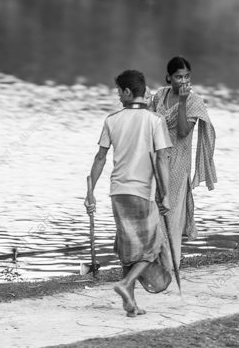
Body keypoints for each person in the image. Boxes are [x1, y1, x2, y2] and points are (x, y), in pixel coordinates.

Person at [85, 69, 173, 317]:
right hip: (142, 192)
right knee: (152, 246)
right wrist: (165, 194)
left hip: (118, 192)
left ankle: (130, 305)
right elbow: (162, 159)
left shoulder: (112, 120)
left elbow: (100, 157)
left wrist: (90, 190)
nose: (118, 96)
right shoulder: (155, 121)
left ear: (126, 91)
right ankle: (125, 285)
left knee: (127, 248)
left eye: (118, 91)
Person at [149, 56, 217, 267]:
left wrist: (183, 102)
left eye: (187, 76)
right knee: (153, 207)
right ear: (168, 77)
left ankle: (170, 264)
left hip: (178, 160)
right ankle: (153, 263)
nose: (184, 81)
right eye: (178, 77)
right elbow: (150, 125)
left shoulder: (194, 100)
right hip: (158, 158)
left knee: (172, 212)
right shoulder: (160, 95)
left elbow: (182, 131)